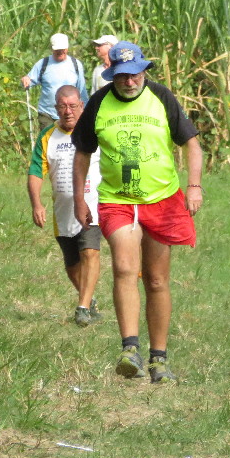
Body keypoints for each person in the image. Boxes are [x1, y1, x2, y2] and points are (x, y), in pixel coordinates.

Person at [71, 41, 204, 383]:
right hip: (118, 200)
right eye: (122, 76)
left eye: (134, 75)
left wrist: (193, 186)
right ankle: (130, 349)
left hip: (161, 199)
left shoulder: (161, 97)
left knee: (157, 279)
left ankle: (159, 359)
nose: (129, 82)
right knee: (125, 267)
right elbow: (82, 153)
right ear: (112, 75)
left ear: (144, 71)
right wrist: (79, 199)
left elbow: (191, 144)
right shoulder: (99, 103)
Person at [27, 85, 103, 327]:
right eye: (62, 106)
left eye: (73, 106)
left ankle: (82, 308)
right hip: (63, 212)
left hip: (93, 206)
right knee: (72, 265)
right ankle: (88, 300)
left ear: (82, 105)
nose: (68, 111)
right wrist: (36, 203)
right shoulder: (48, 136)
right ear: (56, 108)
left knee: (90, 252)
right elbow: (35, 172)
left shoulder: (95, 130)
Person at [22, 33, 90, 130]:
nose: (60, 52)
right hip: (47, 114)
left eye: (62, 49)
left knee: (70, 139)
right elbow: (29, 81)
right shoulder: (43, 64)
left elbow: (81, 90)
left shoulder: (75, 64)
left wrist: (85, 111)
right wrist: (26, 80)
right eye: (57, 50)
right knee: (48, 138)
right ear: (52, 49)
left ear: (67, 48)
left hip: (70, 114)